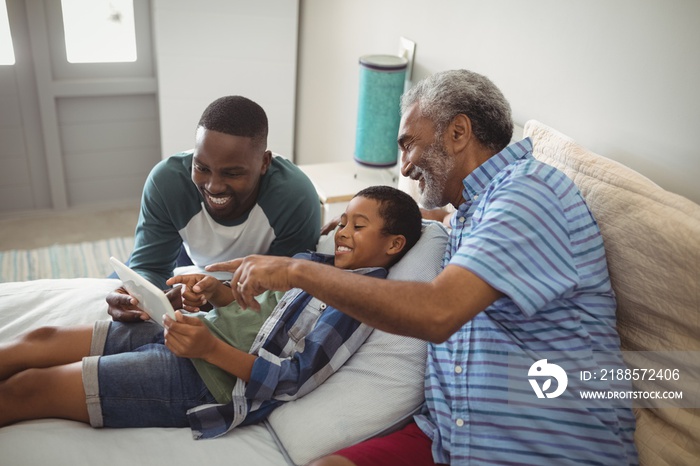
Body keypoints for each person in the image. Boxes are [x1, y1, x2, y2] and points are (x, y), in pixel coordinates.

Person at [206, 70, 639, 465]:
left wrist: (295, 272)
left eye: (409, 144)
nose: (406, 166)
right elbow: (443, 221)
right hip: (447, 439)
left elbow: (437, 312)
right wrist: (376, 220)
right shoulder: (473, 211)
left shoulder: (528, 194)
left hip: (541, 448)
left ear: (458, 132)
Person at [0, 186, 423, 440]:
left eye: (359, 226)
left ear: (393, 244)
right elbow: (253, 312)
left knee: (32, 388)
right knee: (43, 339)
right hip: (193, 331)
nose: (343, 232)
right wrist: (214, 293)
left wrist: (208, 350)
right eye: (343, 221)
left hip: (206, 380)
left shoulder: (361, 304)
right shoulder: (310, 264)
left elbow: (291, 380)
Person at [107, 95, 321, 322]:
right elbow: (151, 267)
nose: (213, 186)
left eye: (232, 173)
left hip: (251, 270)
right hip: (184, 251)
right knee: (119, 288)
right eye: (201, 167)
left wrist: (216, 293)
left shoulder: (294, 197)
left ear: (264, 163)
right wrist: (137, 297)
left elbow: (285, 290)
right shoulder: (167, 182)